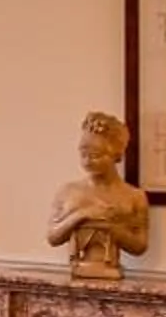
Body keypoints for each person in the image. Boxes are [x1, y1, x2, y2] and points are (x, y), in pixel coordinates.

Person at [47, 110, 151, 280]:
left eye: (95, 155)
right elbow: (53, 237)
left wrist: (112, 228)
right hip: (79, 270)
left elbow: (139, 246)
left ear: (116, 155)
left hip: (111, 270)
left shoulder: (134, 197)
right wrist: (81, 215)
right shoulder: (68, 191)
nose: (87, 161)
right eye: (83, 154)